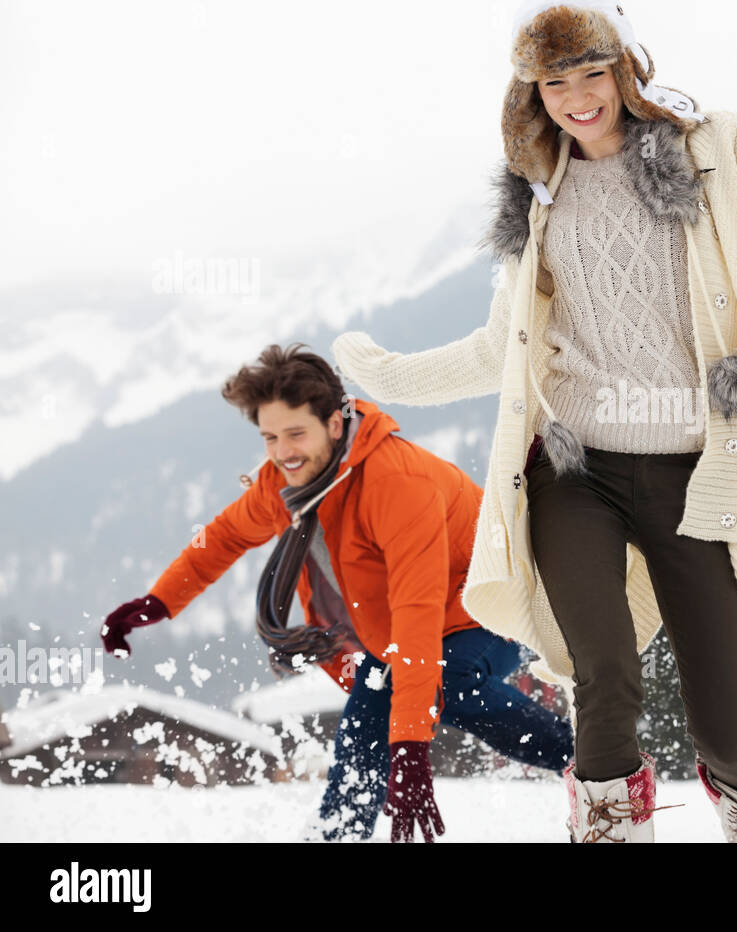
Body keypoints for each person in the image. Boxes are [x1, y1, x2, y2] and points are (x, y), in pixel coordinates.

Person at [332, 0, 737, 842]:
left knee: (719, 715)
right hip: (574, 471)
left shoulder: (713, 150)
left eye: (591, 72)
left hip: (698, 470)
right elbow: (499, 352)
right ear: (533, 95)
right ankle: (607, 824)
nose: (578, 98)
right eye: (555, 83)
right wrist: (383, 375)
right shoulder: (537, 201)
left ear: (626, 68)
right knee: (603, 673)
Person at [100, 343, 573, 842]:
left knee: (446, 682)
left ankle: (589, 762)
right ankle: (336, 836)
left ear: (333, 422)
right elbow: (224, 536)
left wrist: (411, 752)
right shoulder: (290, 485)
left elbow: (418, 612)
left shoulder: (396, 483)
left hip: (489, 608)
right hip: (401, 635)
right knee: (368, 709)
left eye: (296, 433)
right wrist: (157, 603)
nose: (283, 452)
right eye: (270, 437)